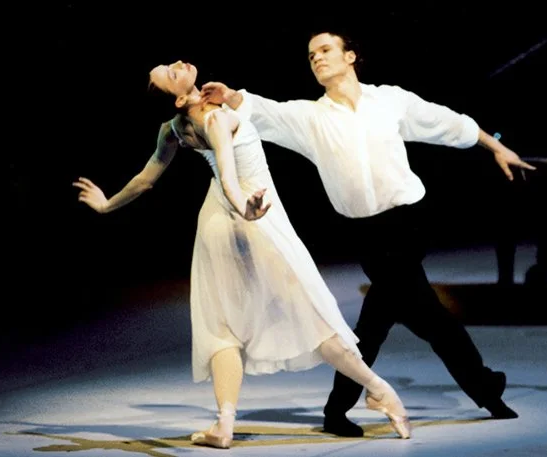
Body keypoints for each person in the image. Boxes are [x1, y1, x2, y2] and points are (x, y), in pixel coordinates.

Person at [200, 31, 536, 437]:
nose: (317, 58)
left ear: (351, 56)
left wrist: (496, 146)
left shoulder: (389, 100)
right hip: (367, 234)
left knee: (399, 319)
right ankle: (482, 387)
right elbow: (265, 112)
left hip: (410, 223)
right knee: (412, 319)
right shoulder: (310, 117)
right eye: (311, 55)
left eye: (326, 50)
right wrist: (230, 94)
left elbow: (446, 122)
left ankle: (351, 408)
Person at [72, 59, 411, 448]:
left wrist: (106, 204)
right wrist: (247, 210)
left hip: (217, 221)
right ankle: (380, 390)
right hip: (250, 214)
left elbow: (145, 180)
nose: (178, 63)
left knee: (222, 327)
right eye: (171, 73)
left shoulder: (173, 129)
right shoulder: (214, 119)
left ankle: (225, 424)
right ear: (180, 97)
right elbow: (230, 176)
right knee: (310, 313)